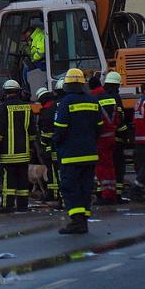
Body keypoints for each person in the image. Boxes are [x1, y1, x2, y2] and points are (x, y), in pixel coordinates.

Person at [54, 68, 102, 234]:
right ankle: (84, 220)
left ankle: (77, 220)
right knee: (86, 188)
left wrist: (56, 145)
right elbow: (99, 128)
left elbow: (60, 130)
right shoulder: (93, 101)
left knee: (70, 187)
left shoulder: (66, 102)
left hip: (70, 155)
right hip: (90, 153)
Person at [0, 79, 36, 212]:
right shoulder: (27, 107)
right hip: (24, 152)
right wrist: (31, 146)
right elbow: (32, 131)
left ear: (5, 93)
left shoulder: (2, 108)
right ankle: (23, 205)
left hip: (8, 153)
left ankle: (7, 205)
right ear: (18, 92)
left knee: (8, 181)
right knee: (23, 179)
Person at [90, 74, 127, 204]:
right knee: (112, 166)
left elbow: (94, 122)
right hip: (113, 137)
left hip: (101, 139)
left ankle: (106, 195)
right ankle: (111, 193)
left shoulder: (93, 99)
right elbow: (120, 118)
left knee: (102, 167)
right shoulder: (112, 98)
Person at [103, 71, 130, 200]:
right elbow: (120, 119)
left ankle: (103, 193)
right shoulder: (116, 98)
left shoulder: (101, 97)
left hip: (104, 140)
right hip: (116, 139)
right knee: (118, 167)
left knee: (106, 167)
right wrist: (125, 135)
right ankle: (117, 194)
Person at [34, 87, 60, 204]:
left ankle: (53, 193)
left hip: (51, 146)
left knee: (52, 170)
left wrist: (43, 145)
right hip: (60, 144)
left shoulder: (46, 111)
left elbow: (45, 132)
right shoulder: (57, 106)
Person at [22, 16, 47, 91]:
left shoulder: (40, 36)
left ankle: (27, 90)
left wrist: (32, 58)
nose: (26, 39)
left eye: (26, 36)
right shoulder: (35, 37)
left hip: (42, 63)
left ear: (29, 32)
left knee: (26, 69)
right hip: (39, 62)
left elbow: (41, 52)